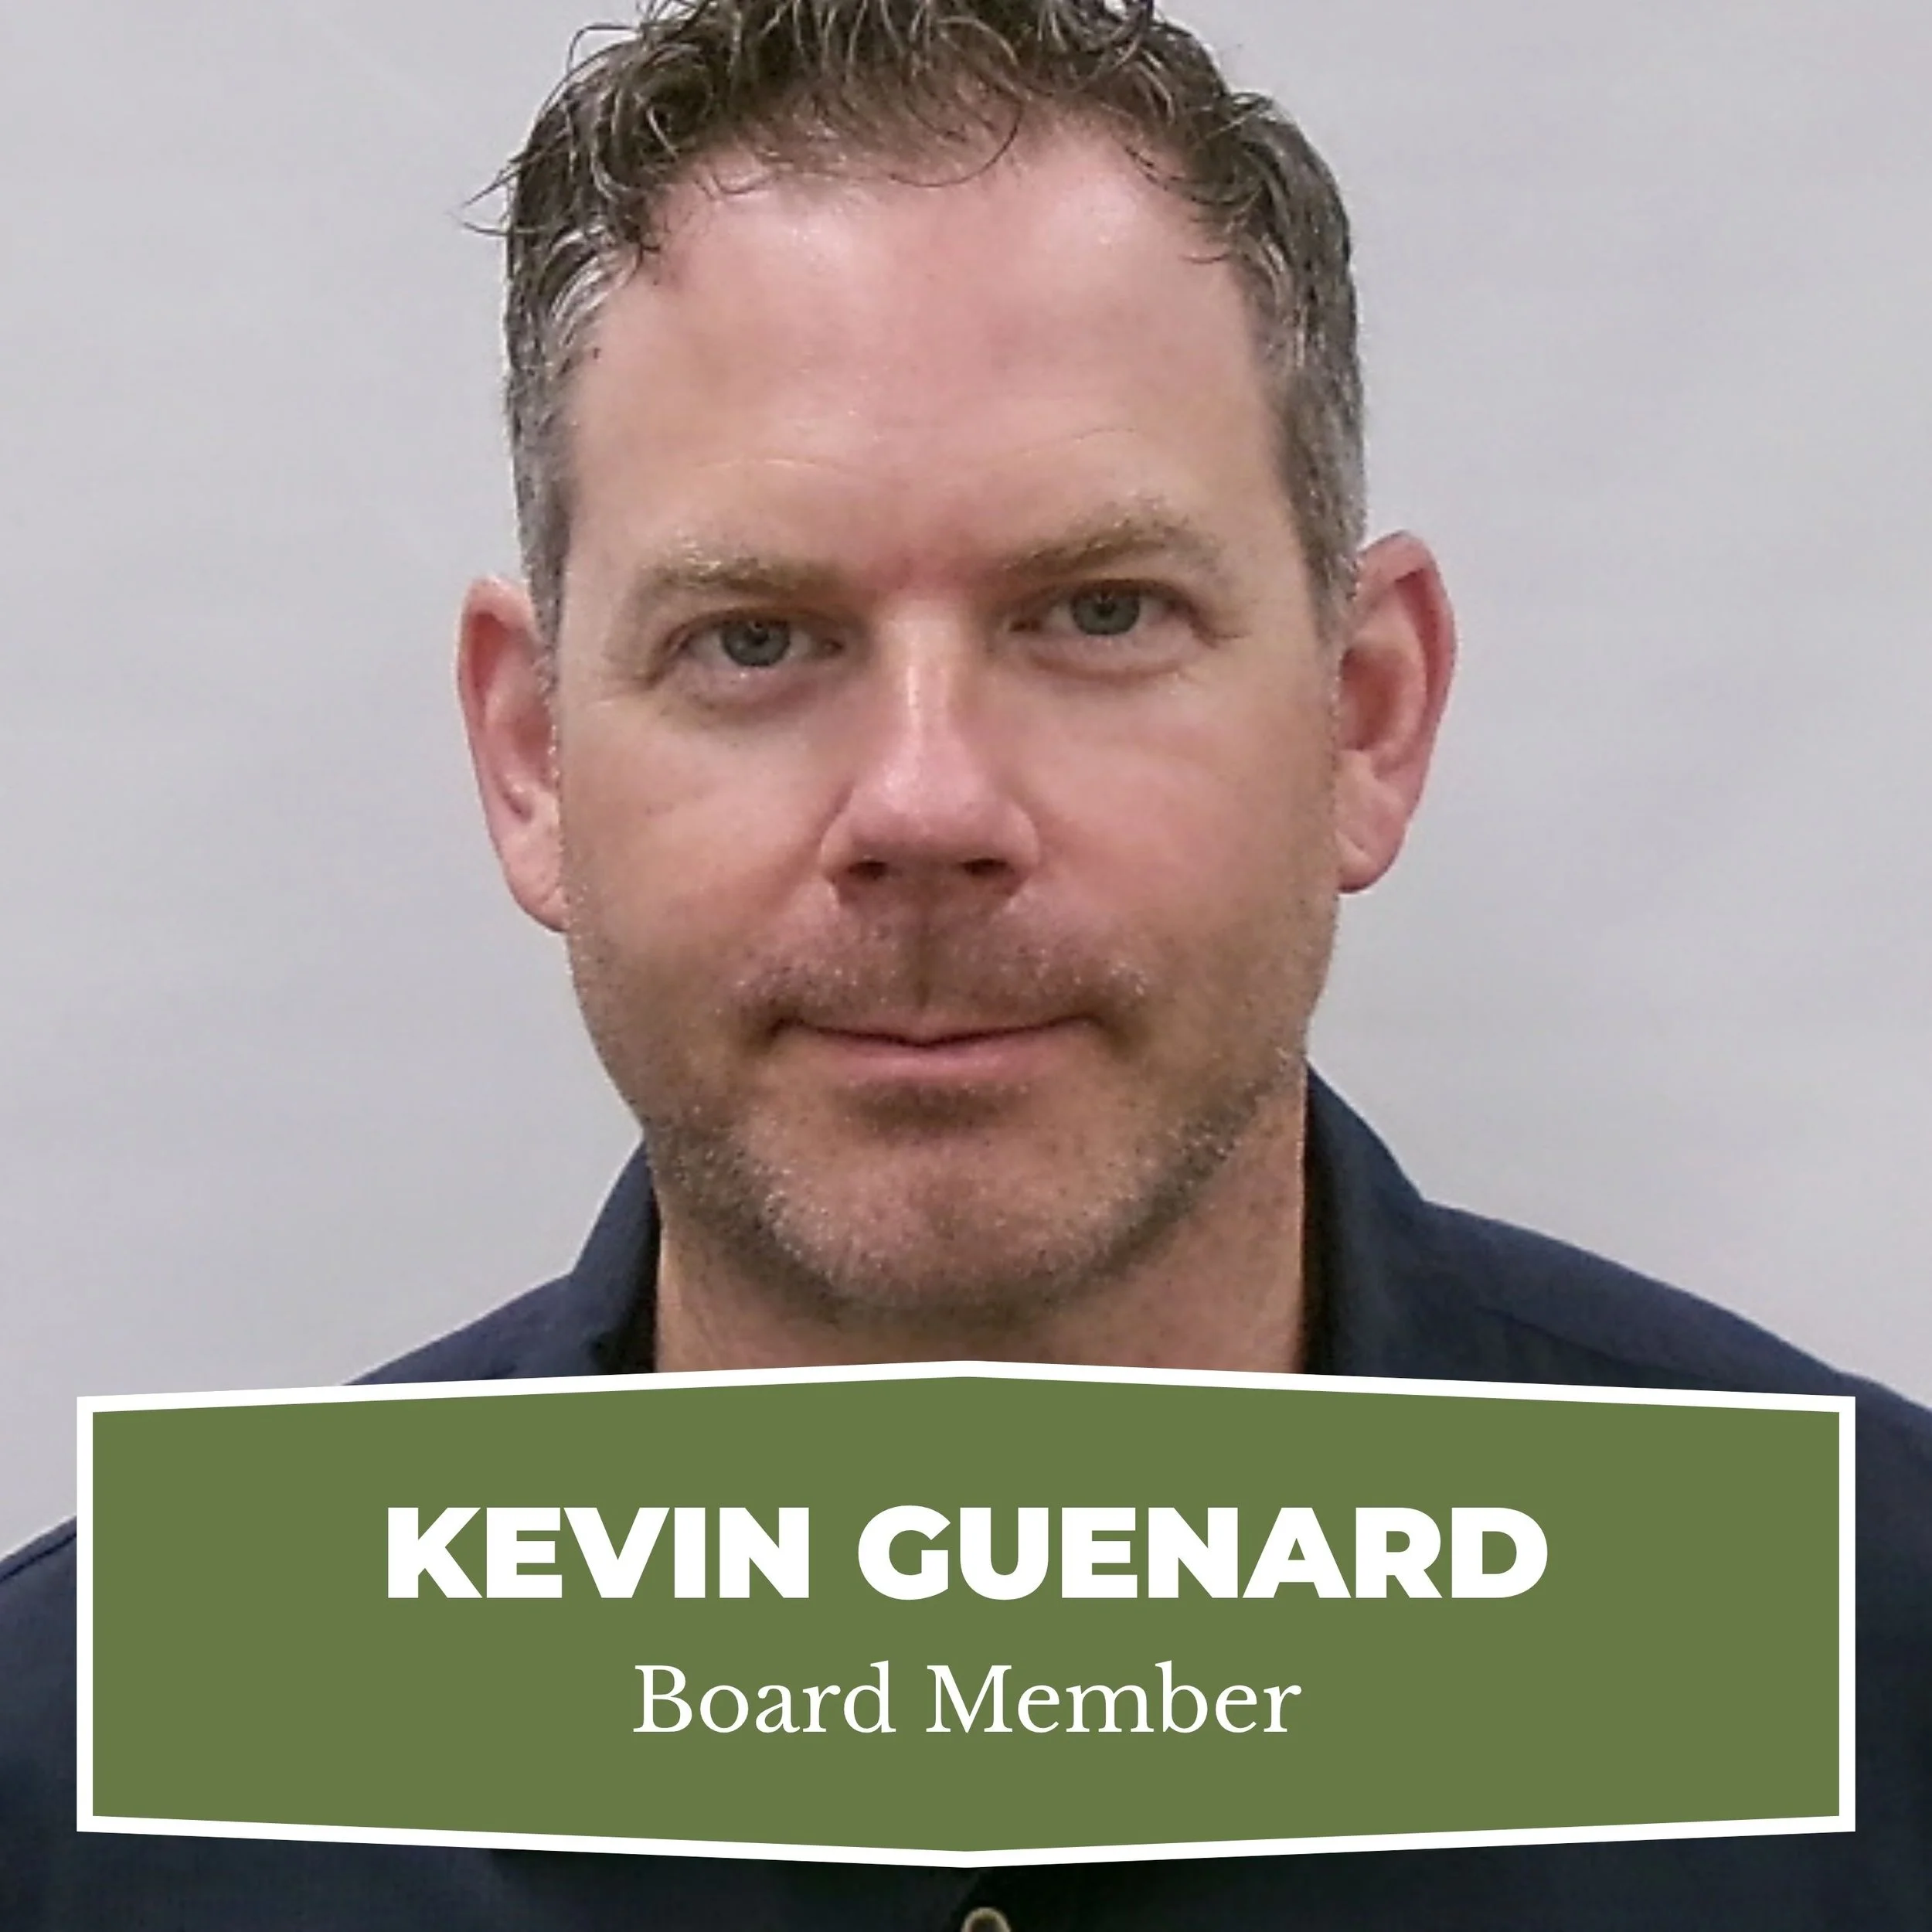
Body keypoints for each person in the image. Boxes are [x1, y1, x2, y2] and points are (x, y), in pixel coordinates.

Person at [3, 0, 1927, 1924]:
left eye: (1097, 610)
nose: (925, 804)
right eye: (755, 639)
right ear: (531, 760)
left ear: (1364, 715)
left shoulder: (1874, 1667)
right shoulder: (84, 1774)